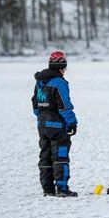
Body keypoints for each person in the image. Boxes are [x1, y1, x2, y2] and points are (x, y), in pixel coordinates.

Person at [31, 51, 78, 197]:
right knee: (60, 157)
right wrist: (72, 123)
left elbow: (35, 104)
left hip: (42, 125)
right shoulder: (59, 83)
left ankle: (48, 189)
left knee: (45, 156)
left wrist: (42, 118)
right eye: (64, 68)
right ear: (60, 68)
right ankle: (62, 189)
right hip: (58, 126)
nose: (65, 71)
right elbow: (64, 105)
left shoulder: (39, 82)